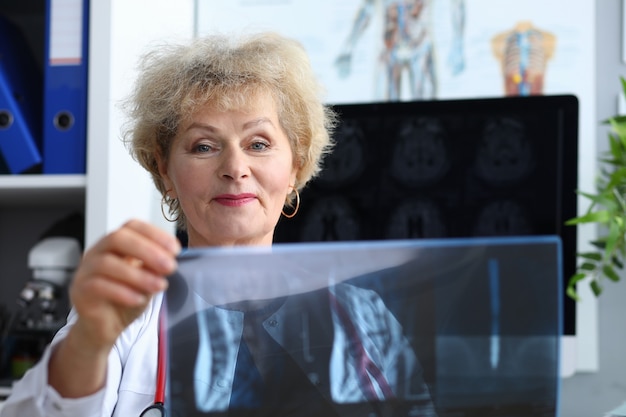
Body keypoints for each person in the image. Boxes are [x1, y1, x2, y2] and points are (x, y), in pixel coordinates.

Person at [0, 32, 435, 416]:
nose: (235, 167)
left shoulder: (359, 316)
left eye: (258, 143)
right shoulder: (125, 315)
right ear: (165, 170)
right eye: (204, 146)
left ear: (295, 166)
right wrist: (90, 342)